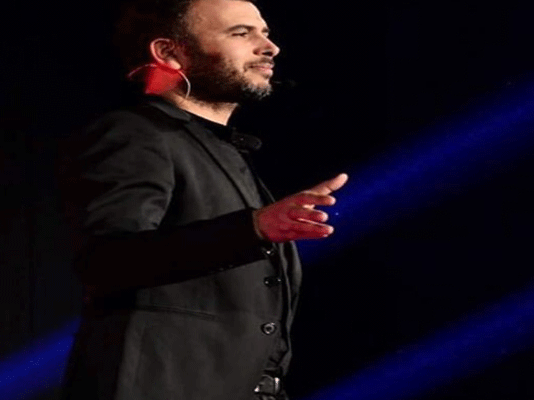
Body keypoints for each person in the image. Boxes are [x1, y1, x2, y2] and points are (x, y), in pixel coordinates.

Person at [60, 0, 348, 399]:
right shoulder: (136, 134)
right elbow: (106, 260)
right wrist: (254, 227)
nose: (270, 47)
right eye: (241, 33)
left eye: (264, 32)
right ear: (168, 52)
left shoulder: (220, 149)